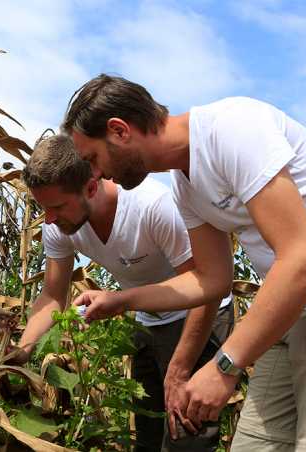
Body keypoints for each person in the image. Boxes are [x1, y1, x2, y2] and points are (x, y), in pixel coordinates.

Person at [62, 74, 306, 451]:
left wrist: (223, 366)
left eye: (92, 159)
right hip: (293, 307)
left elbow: (305, 259)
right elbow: (211, 280)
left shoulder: (232, 129)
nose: (96, 175)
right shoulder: (185, 185)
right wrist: (124, 300)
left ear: (119, 131)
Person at [18, 135, 233, 451]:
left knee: (186, 439)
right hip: (146, 319)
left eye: (57, 206)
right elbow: (52, 295)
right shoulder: (57, 225)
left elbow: (206, 286)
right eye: (42, 207)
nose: (48, 218)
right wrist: (20, 352)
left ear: (91, 187)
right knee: (147, 437)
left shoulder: (152, 208)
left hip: (198, 318)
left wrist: (179, 370)